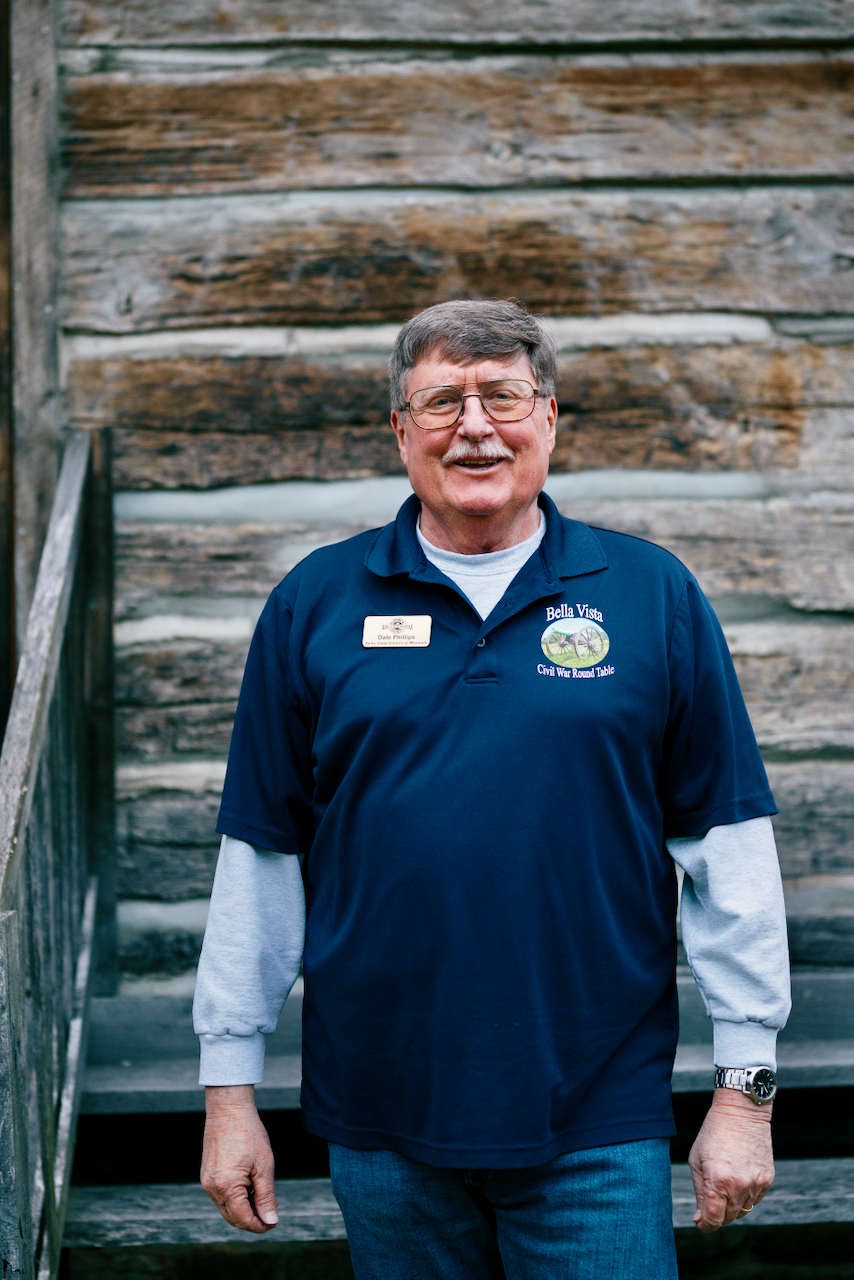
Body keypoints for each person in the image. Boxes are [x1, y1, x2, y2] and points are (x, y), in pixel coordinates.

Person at [194, 300, 791, 1278]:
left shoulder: (650, 594)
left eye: (501, 396)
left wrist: (743, 1096)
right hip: (383, 1117)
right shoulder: (315, 602)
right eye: (440, 400)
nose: (474, 425)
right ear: (399, 431)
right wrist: (228, 1096)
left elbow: (725, 851)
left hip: (592, 1112)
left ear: (548, 418)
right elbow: (262, 854)